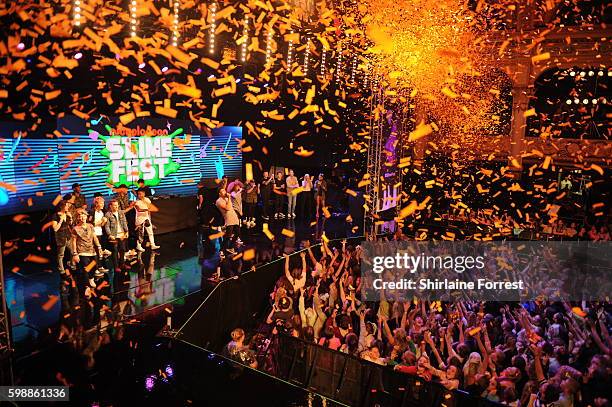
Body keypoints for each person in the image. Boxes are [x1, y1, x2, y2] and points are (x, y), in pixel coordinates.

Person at [72, 209, 103, 290]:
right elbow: (74, 241)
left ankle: (91, 279)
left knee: (93, 267)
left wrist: (99, 247)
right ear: (78, 218)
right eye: (80, 216)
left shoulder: (90, 226)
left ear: (86, 216)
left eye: (83, 216)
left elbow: (94, 237)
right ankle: (86, 287)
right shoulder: (75, 228)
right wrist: (75, 253)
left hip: (92, 250)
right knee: (86, 268)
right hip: (82, 251)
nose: (81, 218)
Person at [104, 199, 129, 271]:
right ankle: (116, 266)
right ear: (111, 206)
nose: (116, 207)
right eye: (114, 205)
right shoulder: (108, 214)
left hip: (121, 234)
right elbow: (107, 226)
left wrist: (126, 231)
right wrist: (109, 234)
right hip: (113, 235)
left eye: (117, 205)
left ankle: (122, 264)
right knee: (115, 250)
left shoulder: (121, 213)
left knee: (122, 249)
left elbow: (124, 222)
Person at [51, 201, 74, 274]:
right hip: (60, 236)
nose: (68, 207)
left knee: (72, 251)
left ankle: (72, 263)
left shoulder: (67, 214)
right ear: (61, 206)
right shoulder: (55, 215)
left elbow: (70, 224)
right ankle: (61, 268)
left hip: (68, 235)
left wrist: (70, 218)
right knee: (61, 254)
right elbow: (55, 229)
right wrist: (60, 220)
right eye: (66, 206)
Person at [216, 188, 240, 255]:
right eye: (222, 191)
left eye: (224, 190)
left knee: (237, 233)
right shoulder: (218, 201)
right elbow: (228, 208)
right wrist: (229, 197)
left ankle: (230, 247)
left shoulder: (226, 199)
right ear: (219, 194)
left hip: (234, 217)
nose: (224, 192)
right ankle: (222, 250)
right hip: (229, 218)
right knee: (228, 236)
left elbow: (231, 208)